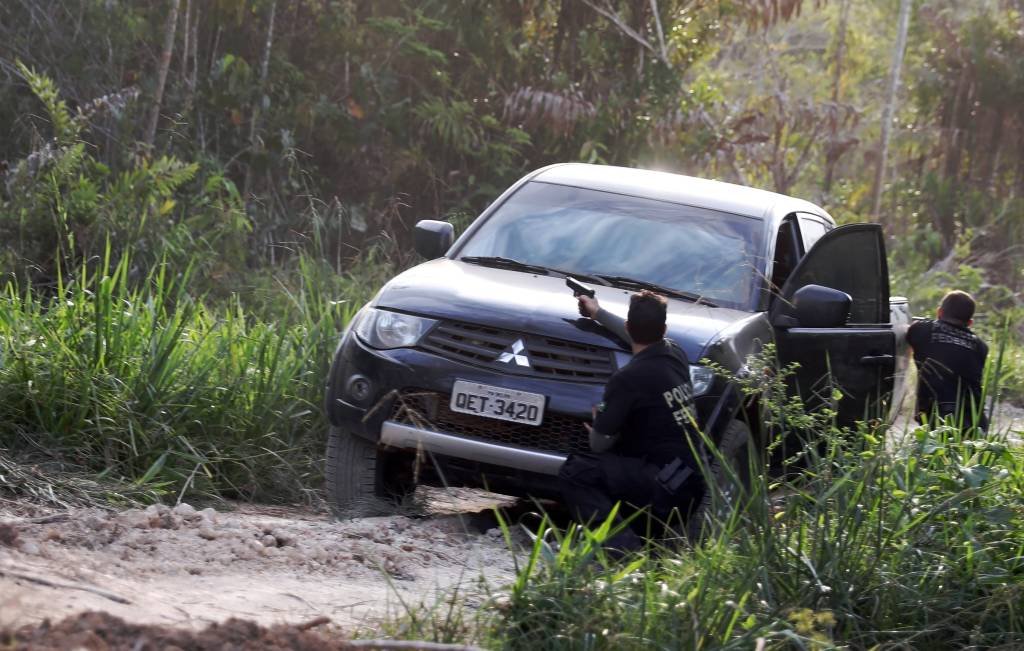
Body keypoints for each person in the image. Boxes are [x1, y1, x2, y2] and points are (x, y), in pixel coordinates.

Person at [558, 291, 704, 553]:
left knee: (577, 471)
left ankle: (621, 551)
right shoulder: (676, 355)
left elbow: (599, 444)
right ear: (664, 329)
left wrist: (600, 424)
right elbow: (639, 338)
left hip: (663, 490)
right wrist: (598, 312)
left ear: (628, 327)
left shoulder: (628, 378)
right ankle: (650, 543)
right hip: (691, 484)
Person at [907, 290, 989, 433]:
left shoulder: (923, 330)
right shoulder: (980, 346)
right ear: (970, 323)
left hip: (937, 417)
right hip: (975, 421)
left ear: (939, 312)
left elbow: (910, 334)